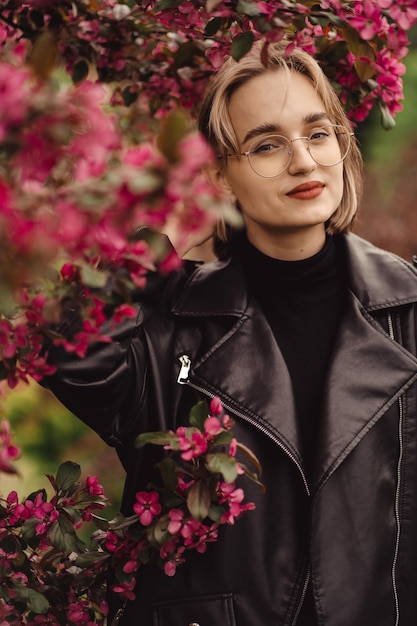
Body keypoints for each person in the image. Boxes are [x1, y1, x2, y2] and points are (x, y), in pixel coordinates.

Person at [43, 40, 417, 625]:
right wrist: (156, 226)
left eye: (318, 134)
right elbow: (70, 357)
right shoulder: (167, 322)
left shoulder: (408, 312)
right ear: (218, 173)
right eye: (267, 144)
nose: (303, 161)